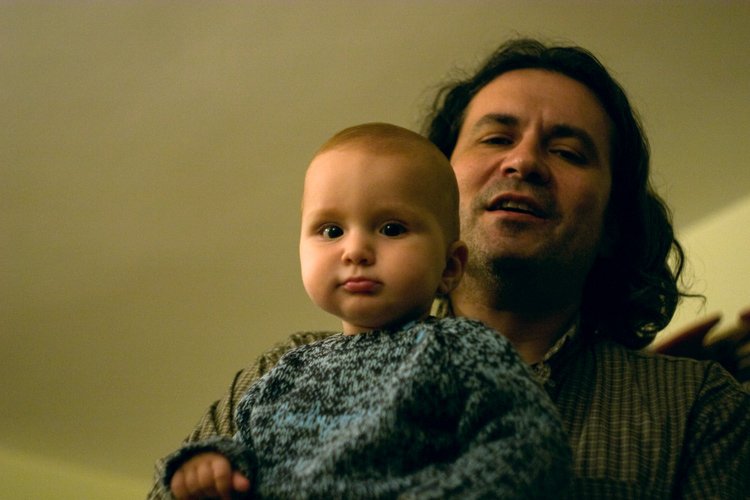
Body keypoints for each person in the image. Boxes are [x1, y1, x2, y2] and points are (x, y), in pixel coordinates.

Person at [149, 39, 750, 499]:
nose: (523, 161)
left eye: (567, 152)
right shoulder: (273, 377)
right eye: (495, 139)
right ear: (437, 189)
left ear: (615, 221)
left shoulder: (699, 408)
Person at [158, 123, 571, 499]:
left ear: (449, 267)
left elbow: (531, 448)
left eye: (391, 229)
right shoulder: (286, 371)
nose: (355, 250)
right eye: (331, 230)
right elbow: (250, 451)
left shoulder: (464, 349)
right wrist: (214, 466)